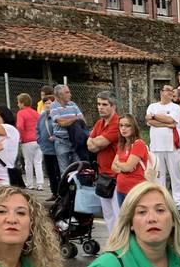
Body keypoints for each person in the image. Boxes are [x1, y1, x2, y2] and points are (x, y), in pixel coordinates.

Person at [146, 84, 180, 209]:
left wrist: (155, 117)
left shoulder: (176, 107)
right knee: (159, 175)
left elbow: (171, 121)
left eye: (172, 91)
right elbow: (149, 121)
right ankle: (161, 200)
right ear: (162, 92)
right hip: (156, 146)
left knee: (175, 174)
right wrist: (165, 122)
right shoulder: (152, 106)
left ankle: (178, 201)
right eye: (167, 90)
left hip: (172, 146)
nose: (170, 93)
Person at [86, 91, 121, 229]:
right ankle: (113, 244)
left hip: (117, 175)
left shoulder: (118, 123)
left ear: (113, 106)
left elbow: (99, 143)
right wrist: (97, 143)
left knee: (118, 215)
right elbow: (90, 145)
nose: (100, 107)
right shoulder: (99, 123)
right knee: (108, 215)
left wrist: (97, 143)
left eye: (104, 104)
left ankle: (121, 246)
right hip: (103, 174)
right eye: (99, 104)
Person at [111, 114, 151, 205]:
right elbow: (113, 166)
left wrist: (121, 165)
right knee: (124, 218)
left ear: (134, 127)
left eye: (127, 125)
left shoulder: (138, 144)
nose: (123, 128)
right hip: (120, 189)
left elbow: (127, 167)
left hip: (135, 190)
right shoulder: (122, 145)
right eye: (121, 125)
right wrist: (123, 166)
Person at [47, 84, 84, 176]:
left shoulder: (73, 104)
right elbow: (61, 123)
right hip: (61, 141)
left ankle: (77, 189)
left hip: (75, 141)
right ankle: (66, 189)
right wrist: (75, 118)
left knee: (78, 169)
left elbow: (82, 119)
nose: (70, 94)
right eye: (67, 92)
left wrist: (67, 119)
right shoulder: (53, 106)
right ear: (60, 95)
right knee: (65, 171)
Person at [36, 87, 60, 198]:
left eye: (49, 103)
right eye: (45, 103)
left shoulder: (58, 115)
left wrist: (56, 137)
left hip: (57, 149)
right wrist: (39, 141)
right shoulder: (42, 117)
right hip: (46, 149)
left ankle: (61, 192)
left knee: (58, 172)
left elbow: (62, 129)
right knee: (50, 173)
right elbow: (38, 130)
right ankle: (54, 192)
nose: (47, 105)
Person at [15, 93, 41, 190]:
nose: (17, 104)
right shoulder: (36, 113)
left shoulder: (21, 113)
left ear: (22, 103)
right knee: (38, 162)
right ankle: (40, 184)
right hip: (38, 140)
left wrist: (20, 137)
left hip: (27, 141)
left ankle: (30, 183)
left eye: (18, 102)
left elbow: (20, 126)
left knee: (28, 162)